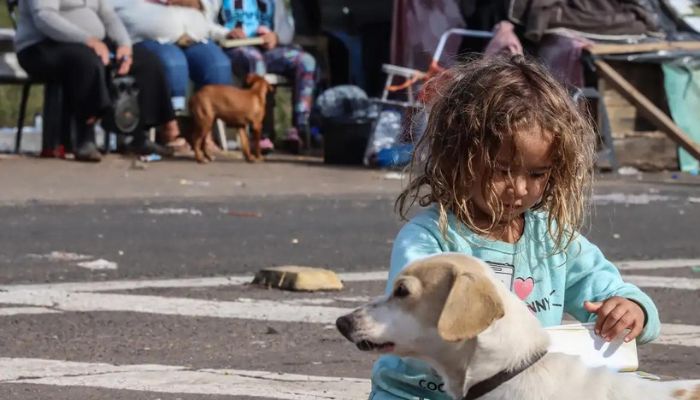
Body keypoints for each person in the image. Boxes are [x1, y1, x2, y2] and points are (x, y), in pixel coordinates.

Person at [370, 55, 661, 400]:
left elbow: (612, 293)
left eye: (536, 174)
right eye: (502, 171)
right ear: (458, 156)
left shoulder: (551, 240)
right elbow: (408, 324)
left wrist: (629, 310)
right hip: (421, 394)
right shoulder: (430, 239)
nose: (519, 188)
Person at [14, 0, 176, 162]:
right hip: (42, 46)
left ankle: (137, 135)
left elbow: (108, 16)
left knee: (148, 62)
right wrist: (88, 41)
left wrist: (124, 45)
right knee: (85, 61)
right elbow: (45, 18)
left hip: (90, 45)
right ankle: (84, 138)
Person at [109, 0, 234, 149]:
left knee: (217, 65)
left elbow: (206, 8)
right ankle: (170, 129)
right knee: (173, 64)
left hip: (195, 35)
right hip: (148, 37)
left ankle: (204, 134)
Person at [204, 0, 318, 152]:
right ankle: (259, 131)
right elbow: (205, 22)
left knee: (306, 62)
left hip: (267, 49)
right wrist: (226, 33)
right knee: (256, 61)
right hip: (235, 48)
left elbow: (286, 26)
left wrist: (275, 37)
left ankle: (301, 128)